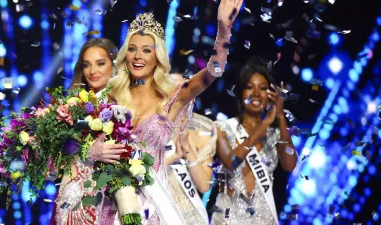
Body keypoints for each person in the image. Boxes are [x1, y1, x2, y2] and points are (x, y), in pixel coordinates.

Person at [106, 0, 243, 224]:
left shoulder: (171, 97)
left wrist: (224, 30)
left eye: (146, 50)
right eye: (132, 49)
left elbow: (213, 72)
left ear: (157, 57)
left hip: (151, 206)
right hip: (111, 204)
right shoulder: (111, 96)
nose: (138, 56)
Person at [212, 57, 297, 225]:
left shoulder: (275, 135)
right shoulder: (223, 128)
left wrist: (280, 116)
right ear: (241, 92)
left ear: (271, 95)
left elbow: (290, 165)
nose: (256, 93)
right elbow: (231, 162)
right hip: (228, 219)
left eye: (263, 88)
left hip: (264, 219)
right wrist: (265, 123)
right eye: (250, 87)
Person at [51, 38, 127, 225]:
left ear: (114, 65)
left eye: (101, 63)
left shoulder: (127, 104)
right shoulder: (71, 105)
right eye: (87, 65)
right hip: (74, 191)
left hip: (113, 195)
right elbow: (59, 157)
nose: (93, 71)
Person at [164, 73, 217, 225]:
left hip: (186, 216)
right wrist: (172, 158)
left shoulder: (203, 131)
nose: (177, 95)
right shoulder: (149, 126)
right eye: (170, 89)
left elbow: (204, 185)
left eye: (183, 89)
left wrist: (188, 150)